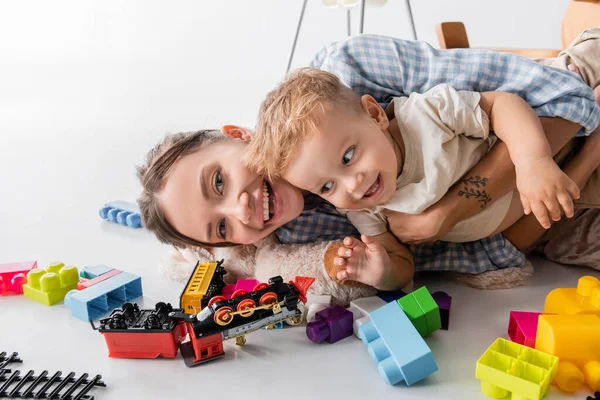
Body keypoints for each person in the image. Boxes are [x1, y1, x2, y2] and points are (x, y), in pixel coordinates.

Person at [137, 34, 600, 291]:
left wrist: (443, 215)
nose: (240, 211)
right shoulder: (330, 218)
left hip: (563, 106)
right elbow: (431, 257)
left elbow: (548, 97)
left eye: (218, 182)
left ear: (238, 135)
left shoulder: (367, 85)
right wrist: (381, 272)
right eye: (222, 229)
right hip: (547, 214)